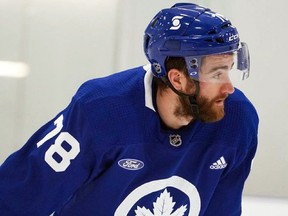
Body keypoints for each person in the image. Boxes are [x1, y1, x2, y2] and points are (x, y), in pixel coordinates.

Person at [0, 3, 258, 216]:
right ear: (177, 79)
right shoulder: (101, 110)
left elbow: (222, 210)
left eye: (229, 70)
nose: (229, 88)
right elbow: (23, 195)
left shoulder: (237, 119)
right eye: (217, 74)